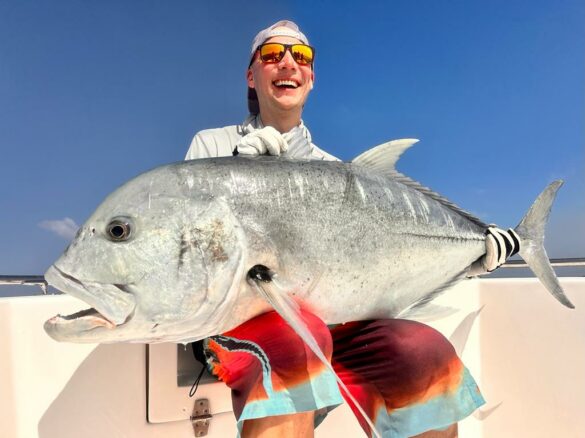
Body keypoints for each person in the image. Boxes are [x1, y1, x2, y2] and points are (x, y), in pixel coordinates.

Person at [186, 20, 488, 438]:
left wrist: (468, 260)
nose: (288, 62)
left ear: (311, 78)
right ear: (251, 76)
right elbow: (193, 247)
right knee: (294, 342)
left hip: (335, 321)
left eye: (301, 56)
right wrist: (236, 170)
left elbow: (378, 259)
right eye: (272, 54)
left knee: (423, 351)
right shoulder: (212, 148)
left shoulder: (337, 172)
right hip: (237, 324)